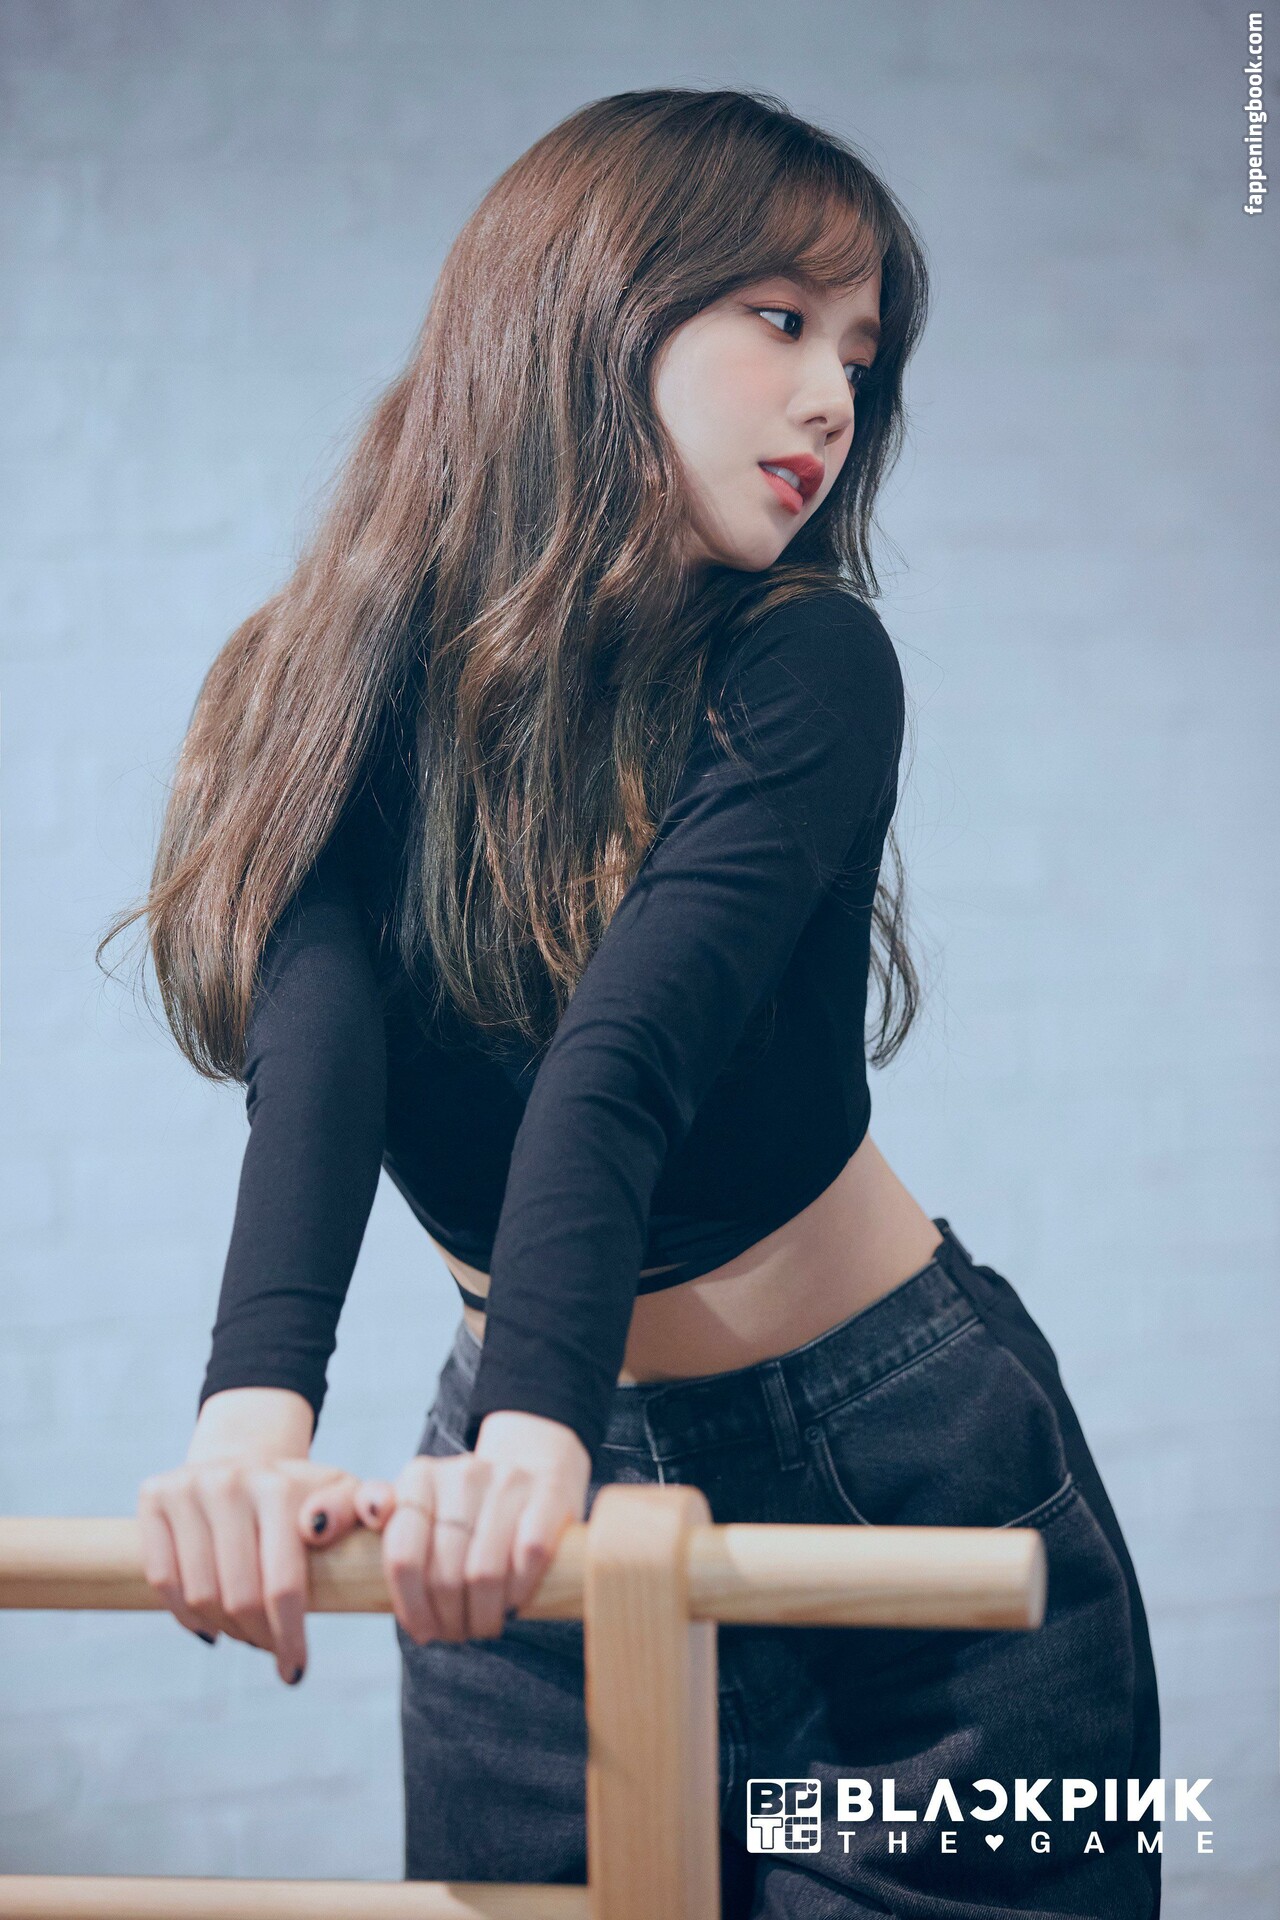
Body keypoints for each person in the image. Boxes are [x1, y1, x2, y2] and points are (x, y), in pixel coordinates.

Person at [110, 88, 1160, 1918]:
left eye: (860, 358)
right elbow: (321, 1073)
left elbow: (623, 1060)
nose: (832, 400)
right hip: (525, 1479)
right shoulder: (311, 681)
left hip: (896, 1462)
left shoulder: (810, 659)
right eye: (783, 319)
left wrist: (534, 1435)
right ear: (595, 311)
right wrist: (246, 1436)